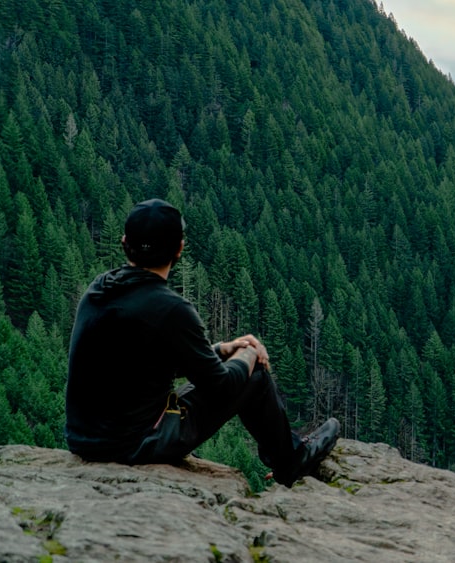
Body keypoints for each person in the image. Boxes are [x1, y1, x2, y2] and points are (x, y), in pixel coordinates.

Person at [65, 198, 339, 487]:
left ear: (124, 243)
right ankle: (291, 460)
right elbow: (221, 388)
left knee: (230, 372)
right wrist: (247, 353)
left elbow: (145, 364)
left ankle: (288, 452)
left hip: (84, 441)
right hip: (136, 445)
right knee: (254, 378)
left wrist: (221, 350)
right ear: (180, 249)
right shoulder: (171, 309)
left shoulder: (99, 289)